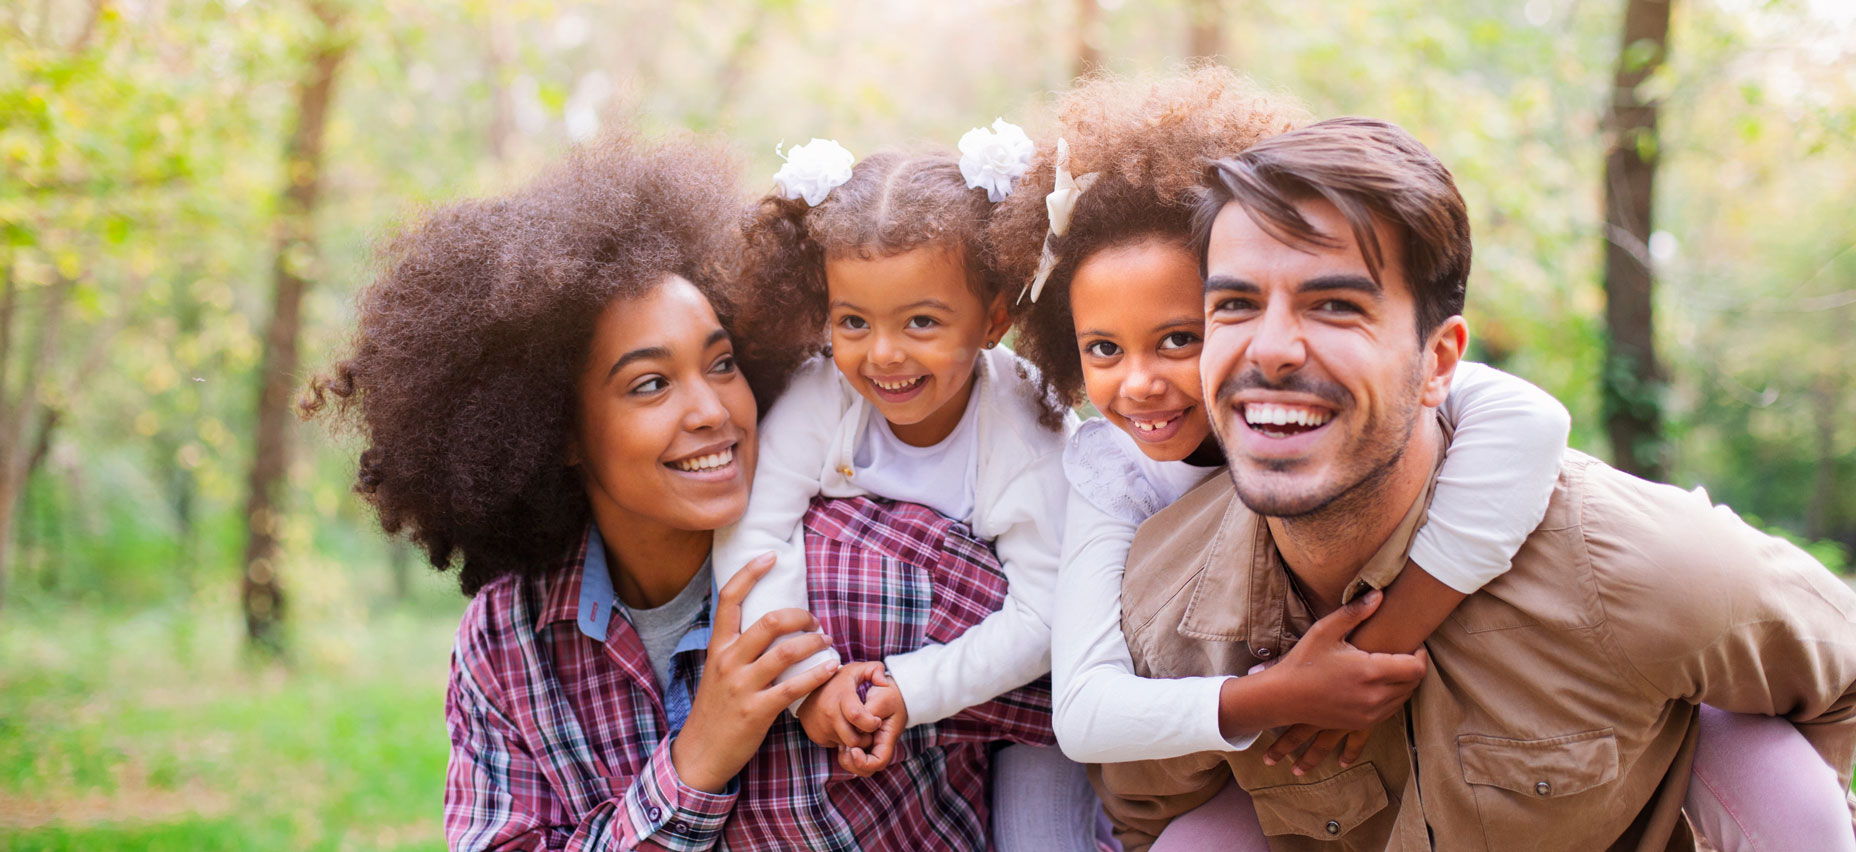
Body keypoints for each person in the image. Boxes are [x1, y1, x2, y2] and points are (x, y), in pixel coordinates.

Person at [1092, 116, 1856, 851]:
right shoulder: (1164, 613)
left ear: (1440, 363)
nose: (1274, 347)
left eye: (1335, 305)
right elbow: (1149, 813)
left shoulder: (1640, 569)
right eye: (1235, 304)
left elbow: (1843, 676)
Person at [304, 133, 1055, 851]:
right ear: (557, 429)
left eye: (722, 364)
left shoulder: (875, 567)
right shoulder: (509, 643)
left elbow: (1077, 688)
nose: (710, 410)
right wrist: (695, 762)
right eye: (651, 383)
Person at [714, 130, 1100, 848]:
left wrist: (911, 688)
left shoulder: (1026, 423)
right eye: (853, 321)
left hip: (1021, 702)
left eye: (922, 322)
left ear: (993, 319)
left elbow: (1046, 615)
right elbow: (754, 534)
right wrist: (807, 684)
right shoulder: (821, 394)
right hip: (855, 688)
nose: (883, 353)